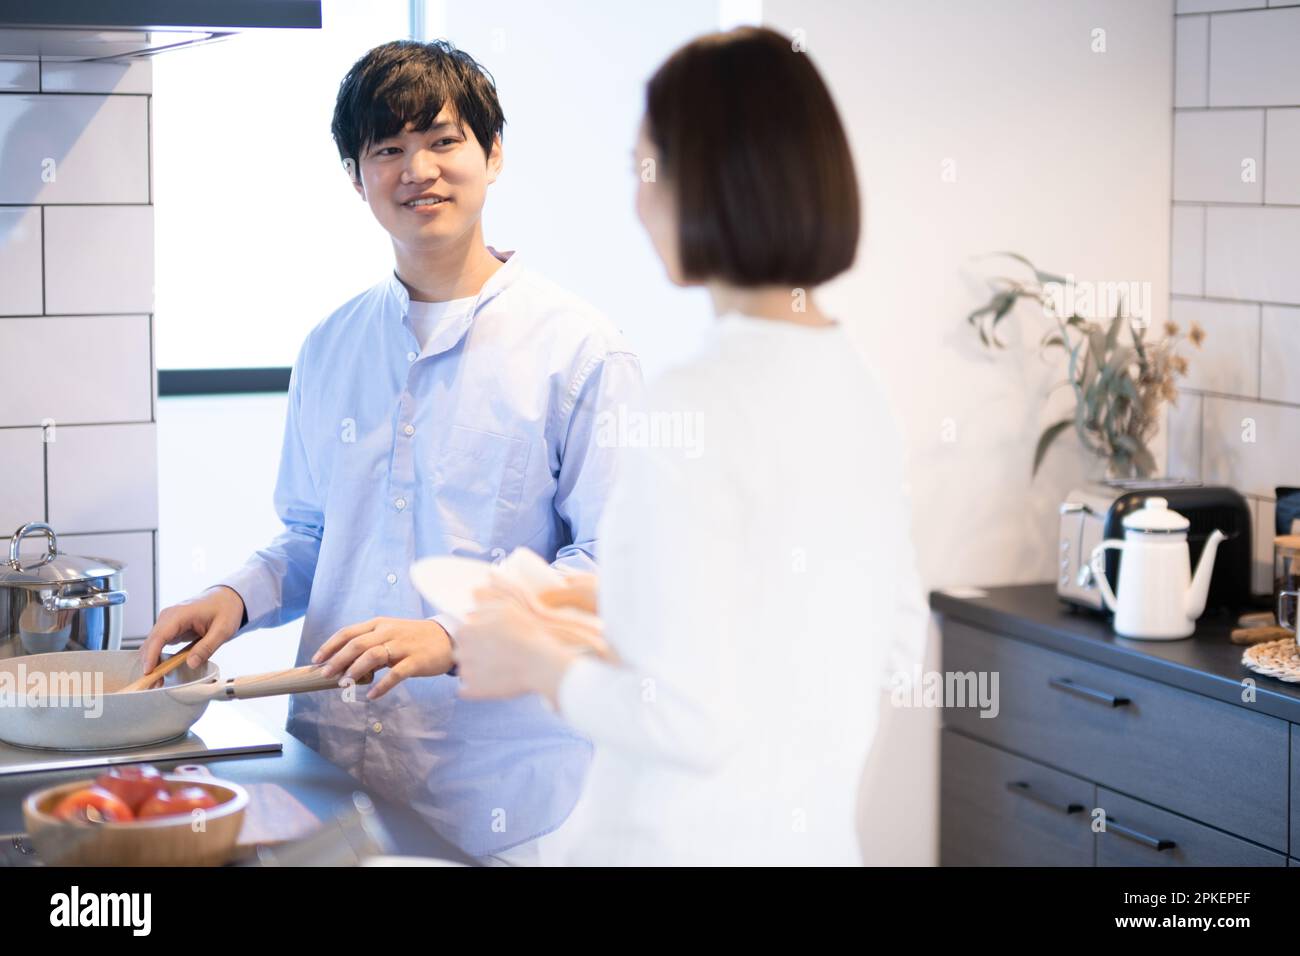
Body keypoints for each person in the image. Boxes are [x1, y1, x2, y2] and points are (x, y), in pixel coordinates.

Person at [140, 39, 642, 865]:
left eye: (443, 141)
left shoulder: (581, 351)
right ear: (356, 175)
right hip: (333, 767)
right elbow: (314, 533)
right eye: (388, 150)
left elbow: (608, 568)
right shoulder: (330, 345)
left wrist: (451, 634)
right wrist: (235, 596)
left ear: (493, 153)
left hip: (497, 792)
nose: (419, 171)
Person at [443, 26, 928, 865]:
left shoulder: (697, 399)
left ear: (709, 181)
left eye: (646, 169)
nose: (639, 204)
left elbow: (688, 719)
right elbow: (883, 639)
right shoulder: (856, 383)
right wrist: (627, 603)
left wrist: (535, 661)